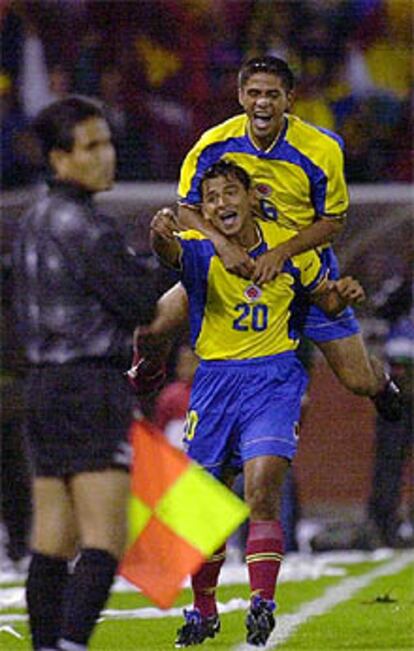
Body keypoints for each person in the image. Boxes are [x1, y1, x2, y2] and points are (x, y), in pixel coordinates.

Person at [147, 160, 365, 647]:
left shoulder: (289, 247)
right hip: (215, 382)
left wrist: (343, 295)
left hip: (273, 378)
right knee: (205, 507)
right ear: (202, 209)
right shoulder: (199, 249)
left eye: (231, 192)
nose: (222, 203)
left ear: (251, 196)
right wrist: (160, 233)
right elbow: (167, 253)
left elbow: (324, 300)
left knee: (262, 486)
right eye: (212, 198)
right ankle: (204, 611)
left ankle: (262, 603)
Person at [140, 55, 401, 423]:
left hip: (302, 271)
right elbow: (188, 210)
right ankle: (149, 366)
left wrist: (281, 253)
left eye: (273, 94)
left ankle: (379, 383)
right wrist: (225, 246)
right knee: (153, 326)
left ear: (289, 99)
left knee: (357, 380)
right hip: (231, 265)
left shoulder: (321, 149)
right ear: (241, 96)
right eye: (255, 93)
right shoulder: (213, 144)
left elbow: (332, 222)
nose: (263, 102)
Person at [12, 95, 157, 651]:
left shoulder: (31, 222)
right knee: (104, 538)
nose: (106, 156)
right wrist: (176, 259)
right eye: (90, 146)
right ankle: (70, 645)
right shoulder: (86, 226)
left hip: (43, 389)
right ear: (58, 158)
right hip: (89, 387)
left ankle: (47, 647)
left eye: (108, 142)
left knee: (52, 539)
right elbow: (141, 303)